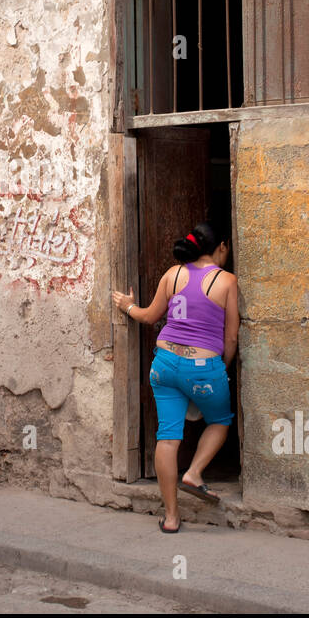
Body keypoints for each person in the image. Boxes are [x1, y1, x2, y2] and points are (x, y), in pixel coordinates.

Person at [112, 221, 237, 533]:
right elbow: (231, 338)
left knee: (168, 436)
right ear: (221, 246)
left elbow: (148, 316)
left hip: (164, 364)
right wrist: (222, 369)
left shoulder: (173, 274)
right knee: (220, 420)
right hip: (203, 368)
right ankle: (194, 473)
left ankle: (171, 518)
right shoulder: (226, 281)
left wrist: (127, 306)